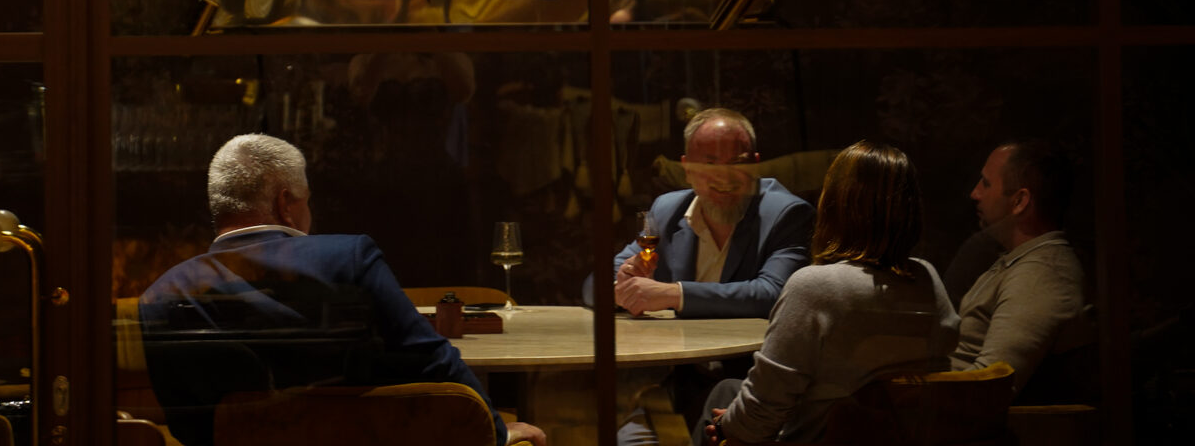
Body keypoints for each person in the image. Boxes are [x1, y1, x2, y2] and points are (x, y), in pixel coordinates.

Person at [139, 133, 547, 446]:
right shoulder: (346, 257)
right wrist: (496, 431)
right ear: (286, 203)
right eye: (307, 201)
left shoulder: (160, 296)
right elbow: (430, 359)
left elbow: (189, 426)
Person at [698, 140, 959, 445]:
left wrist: (728, 427)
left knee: (721, 402)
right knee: (728, 390)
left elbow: (762, 410)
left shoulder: (816, 287)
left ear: (836, 205)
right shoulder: (928, 280)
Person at [587, 108, 816, 318]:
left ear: (755, 166)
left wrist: (673, 294)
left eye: (737, 163)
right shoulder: (667, 210)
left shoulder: (787, 215)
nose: (724, 177)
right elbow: (594, 284)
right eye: (710, 165)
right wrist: (622, 289)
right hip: (679, 349)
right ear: (687, 169)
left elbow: (775, 293)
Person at [948, 139, 1087, 396]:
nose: (975, 194)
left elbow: (990, 387)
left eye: (986, 183)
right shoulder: (1018, 261)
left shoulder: (1040, 275)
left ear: (1020, 201)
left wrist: (907, 396)